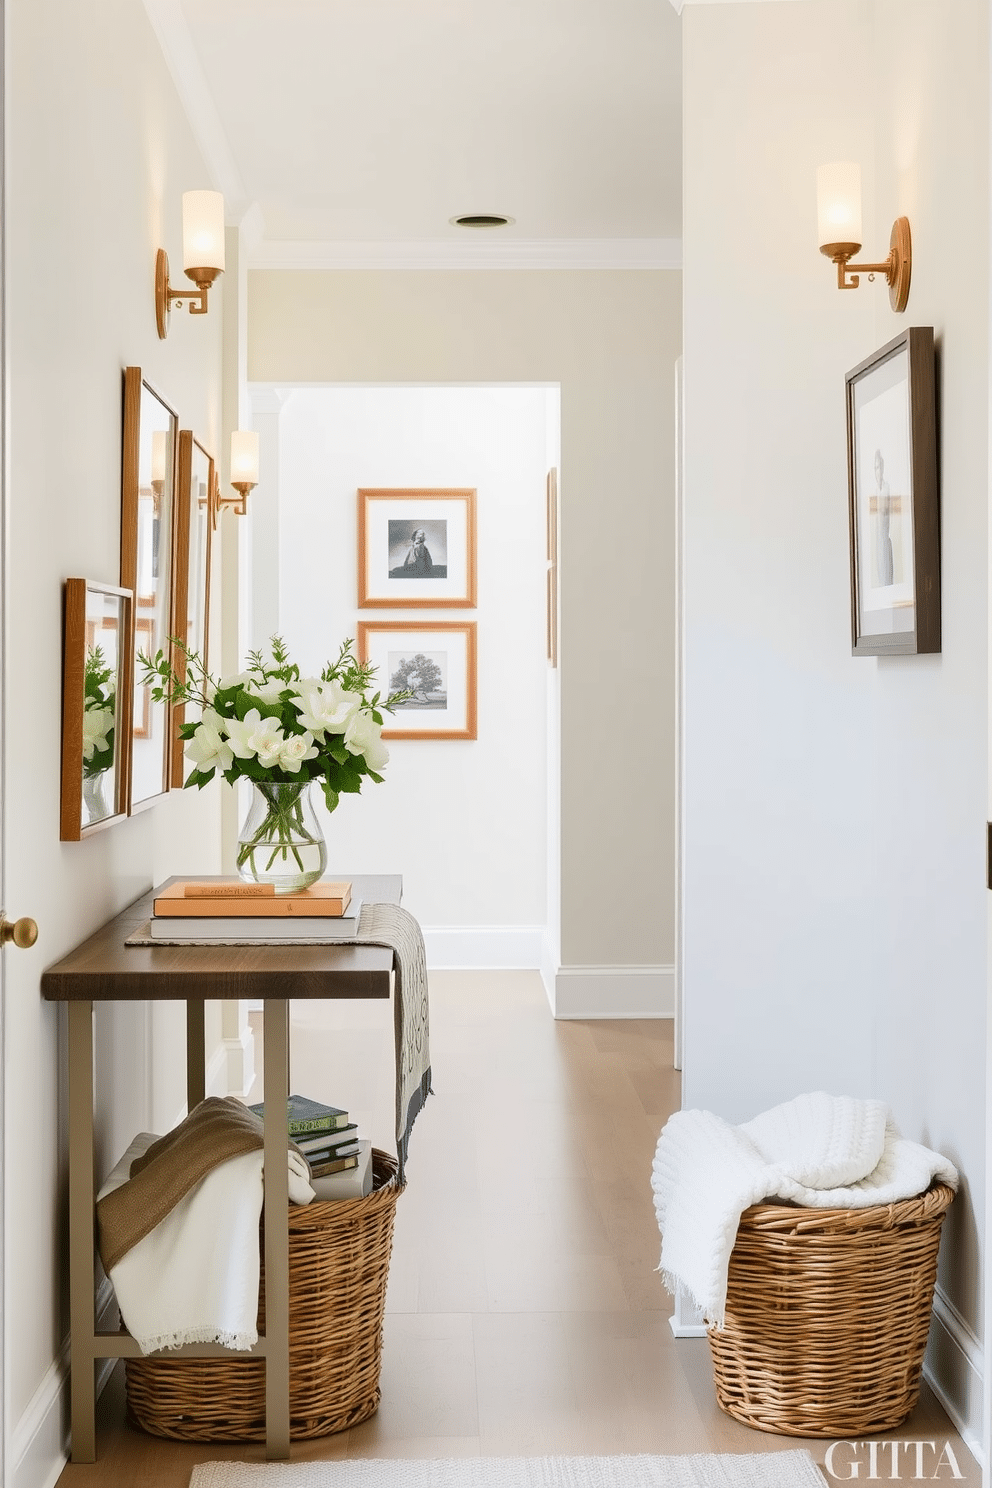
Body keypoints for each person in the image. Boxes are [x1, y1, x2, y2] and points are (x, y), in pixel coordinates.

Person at [873, 449, 894, 588]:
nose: (877, 472)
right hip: (878, 544)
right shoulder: (874, 491)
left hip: (885, 541)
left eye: (879, 467)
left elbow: (884, 513)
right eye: (875, 468)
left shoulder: (886, 489)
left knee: (887, 580)